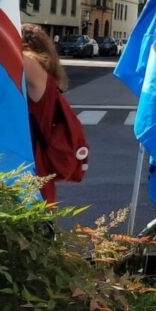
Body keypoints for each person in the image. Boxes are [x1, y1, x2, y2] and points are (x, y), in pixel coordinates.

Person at [21, 24, 89, 204]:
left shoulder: (34, 69)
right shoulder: (46, 74)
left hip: (33, 164)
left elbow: (8, 57)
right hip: (35, 162)